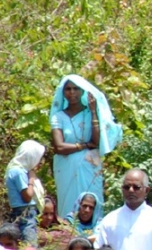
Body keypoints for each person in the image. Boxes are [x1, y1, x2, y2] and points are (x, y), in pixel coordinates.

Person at [48, 77, 119, 223]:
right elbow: (59, 147)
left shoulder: (90, 113)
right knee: (67, 202)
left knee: (90, 200)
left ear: (82, 91)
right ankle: (66, 235)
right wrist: (84, 145)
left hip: (89, 166)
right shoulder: (58, 117)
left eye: (76, 89)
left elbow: (97, 141)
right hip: (66, 168)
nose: (72, 92)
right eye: (68, 89)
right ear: (63, 92)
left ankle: (92, 236)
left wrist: (93, 112)